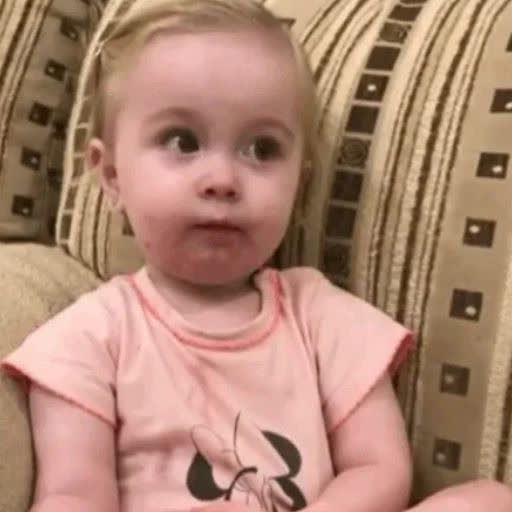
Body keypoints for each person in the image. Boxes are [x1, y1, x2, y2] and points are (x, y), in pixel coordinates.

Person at [1, 1, 511, 511]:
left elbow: (378, 467)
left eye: (261, 150)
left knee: (488, 500)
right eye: (182, 141)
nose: (222, 180)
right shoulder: (88, 338)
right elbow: (74, 494)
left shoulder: (318, 314)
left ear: (299, 182)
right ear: (112, 175)